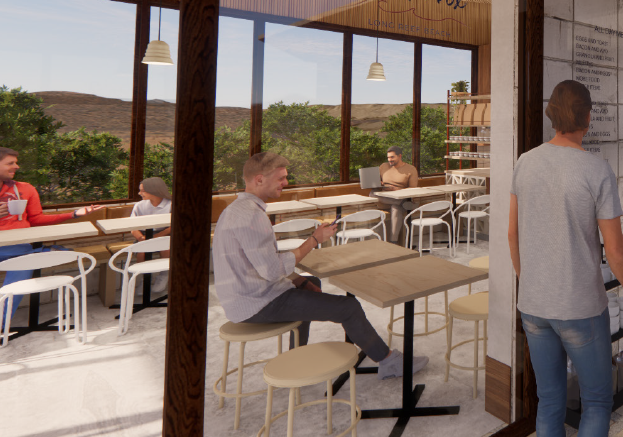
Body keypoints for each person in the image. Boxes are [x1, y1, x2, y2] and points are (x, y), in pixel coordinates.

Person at [509, 80, 623, 437]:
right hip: (581, 306)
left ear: (551, 115)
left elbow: (513, 233)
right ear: (588, 117)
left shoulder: (525, 162)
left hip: (533, 305)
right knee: (597, 402)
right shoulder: (595, 169)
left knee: (550, 400)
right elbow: (615, 249)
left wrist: (531, 284)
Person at [213, 151, 426, 377]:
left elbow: (260, 264)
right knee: (348, 308)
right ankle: (389, 362)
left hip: (242, 295)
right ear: (259, 179)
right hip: (256, 302)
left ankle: (297, 353)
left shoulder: (236, 209)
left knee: (310, 281)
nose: (286, 183)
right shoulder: (252, 217)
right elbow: (272, 270)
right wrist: (314, 240)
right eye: (280, 178)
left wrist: (299, 280)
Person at [0, 146, 102, 321]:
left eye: (16, 162)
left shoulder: (26, 189)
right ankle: (42, 252)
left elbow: (37, 219)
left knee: (23, 268)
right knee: (30, 259)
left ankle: (1, 323)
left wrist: (73, 214)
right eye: (10, 163)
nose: (17, 166)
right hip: (11, 249)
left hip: (20, 247)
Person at [130, 176, 172, 292]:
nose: (139, 193)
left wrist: (155, 237)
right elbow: (133, 227)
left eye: (142, 190)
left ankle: (163, 276)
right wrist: (141, 238)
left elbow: (172, 226)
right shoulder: (139, 205)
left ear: (154, 190)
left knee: (165, 246)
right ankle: (145, 279)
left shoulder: (171, 204)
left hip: (165, 234)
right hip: (144, 235)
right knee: (141, 251)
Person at [380, 146, 420, 244]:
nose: (390, 160)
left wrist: (396, 189)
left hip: (404, 197)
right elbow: (375, 181)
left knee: (395, 208)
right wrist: (380, 184)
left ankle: (393, 242)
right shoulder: (383, 166)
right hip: (385, 198)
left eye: (392, 157)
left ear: (400, 156)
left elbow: (413, 190)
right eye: (388, 157)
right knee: (372, 193)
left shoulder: (410, 169)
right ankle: (401, 202)